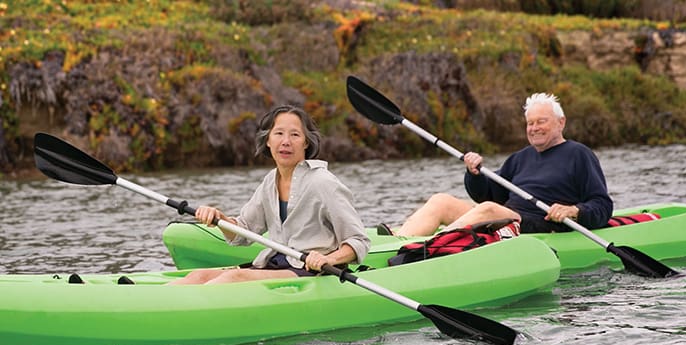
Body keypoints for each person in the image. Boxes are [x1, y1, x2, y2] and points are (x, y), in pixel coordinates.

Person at [169, 105, 370, 284]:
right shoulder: (269, 182)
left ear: (306, 143)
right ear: (267, 141)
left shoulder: (323, 182)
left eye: (295, 135)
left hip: (311, 271)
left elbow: (358, 240)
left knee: (233, 278)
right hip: (275, 263)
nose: (285, 142)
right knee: (198, 277)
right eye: (279, 133)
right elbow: (242, 233)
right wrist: (219, 218)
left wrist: (329, 259)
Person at [384, 92, 613, 237]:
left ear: (560, 122)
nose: (534, 128)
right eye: (530, 123)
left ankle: (430, 247)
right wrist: (474, 174)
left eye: (541, 122)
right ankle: (402, 240)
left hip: (539, 224)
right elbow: (488, 195)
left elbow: (602, 205)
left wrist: (574, 211)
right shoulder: (520, 157)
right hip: (505, 215)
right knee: (441, 201)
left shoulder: (579, 155)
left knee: (489, 210)